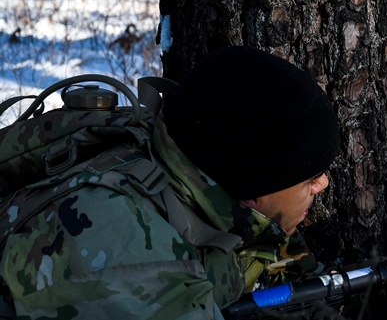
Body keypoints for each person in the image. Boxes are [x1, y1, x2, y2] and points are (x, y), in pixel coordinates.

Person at [0, 46, 339, 319]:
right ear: (252, 193)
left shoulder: (178, 165)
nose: (322, 184)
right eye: (309, 178)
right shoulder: (133, 263)